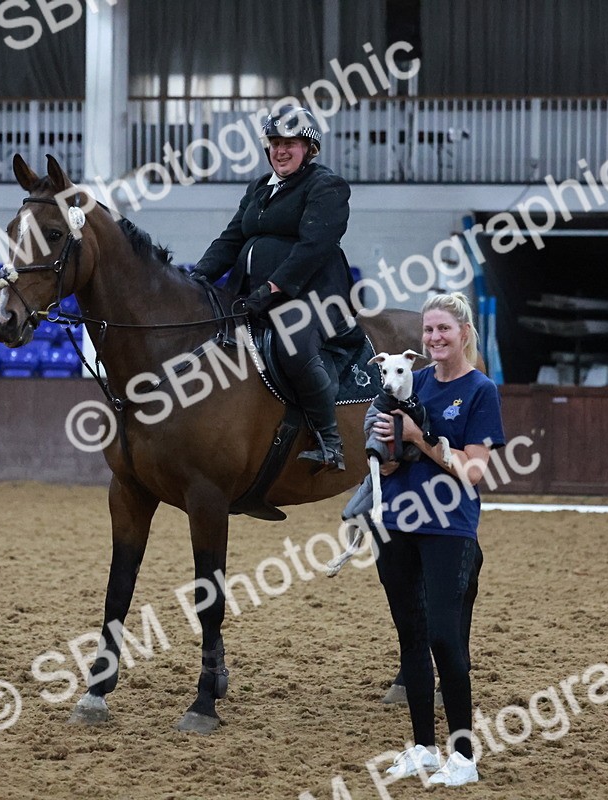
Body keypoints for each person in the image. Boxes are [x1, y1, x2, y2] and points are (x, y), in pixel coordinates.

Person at [372, 292, 505, 787]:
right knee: (411, 638)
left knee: (446, 638)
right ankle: (425, 749)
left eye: (443, 329)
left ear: (464, 333)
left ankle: (464, 756)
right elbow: (388, 462)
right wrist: (385, 443)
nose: (433, 338)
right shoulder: (410, 382)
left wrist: (416, 439)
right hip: (396, 525)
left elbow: (472, 471)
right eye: (428, 330)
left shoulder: (480, 391)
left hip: (449, 530)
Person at [192, 105, 356, 471]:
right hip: (253, 296)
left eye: (291, 143)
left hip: (313, 295)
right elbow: (232, 238)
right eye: (275, 143)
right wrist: (198, 277)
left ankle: (329, 440)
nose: (281, 151)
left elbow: (313, 247)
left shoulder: (325, 186)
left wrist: (274, 287)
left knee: (292, 344)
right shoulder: (257, 188)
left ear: (309, 148)